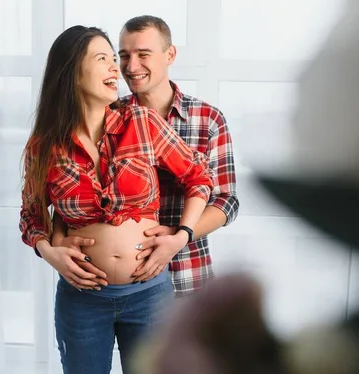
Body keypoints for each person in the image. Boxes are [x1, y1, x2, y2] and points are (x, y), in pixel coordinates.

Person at [19, 25, 214, 374]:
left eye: (114, 58)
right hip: (82, 299)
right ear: (73, 72)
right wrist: (51, 253)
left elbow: (198, 176)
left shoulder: (140, 122)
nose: (116, 68)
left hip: (148, 295)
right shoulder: (43, 145)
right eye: (103, 59)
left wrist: (183, 234)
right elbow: (30, 215)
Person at [54, 15, 239, 297]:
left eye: (143, 54)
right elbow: (71, 191)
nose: (131, 66)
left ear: (170, 54)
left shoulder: (207, 119)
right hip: (111, 286)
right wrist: (57, 241)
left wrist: (179, 236)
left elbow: (226, 199)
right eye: (124, 56)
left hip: (187, 271)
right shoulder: (107, 116)